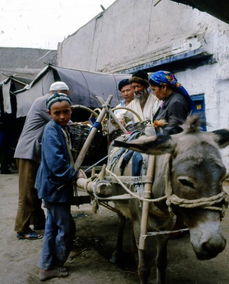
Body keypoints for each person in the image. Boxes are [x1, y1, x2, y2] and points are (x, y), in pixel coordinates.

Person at [14, 81, 70, 240]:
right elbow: (61, 120)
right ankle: (21, 228)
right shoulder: (45, 102)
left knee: (36, 188)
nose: (64, 99)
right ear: (57, 92)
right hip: (28, 151)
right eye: (64, 95)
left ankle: (38, 222)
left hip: (34, 151)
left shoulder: (44, 100)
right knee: (26, 192)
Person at [35, 93, 80, 281]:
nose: (62, 116)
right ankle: (56, 264)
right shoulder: (52, 130)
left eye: (66, 112)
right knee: (66, 228)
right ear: (49, 113)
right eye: (57, 113)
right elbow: (56, 164)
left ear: (71, 111)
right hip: (55, 188)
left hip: (53, 187)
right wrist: (75, 174)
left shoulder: (60, 128)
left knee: (52, 228)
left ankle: (46, 267)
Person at [149, 70, 193, 135]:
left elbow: (174, 129)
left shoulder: (176, 102)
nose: (153, 93)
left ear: (164, 87)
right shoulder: (167, 100)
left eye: (154, 89)